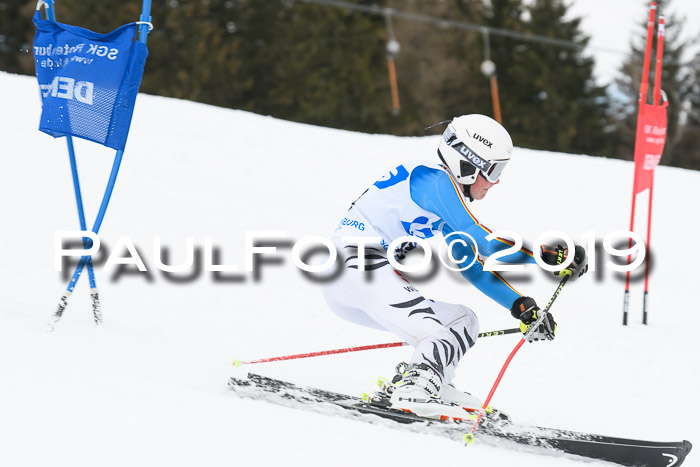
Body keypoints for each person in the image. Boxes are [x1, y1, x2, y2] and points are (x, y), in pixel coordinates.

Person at [321, 114, 587, 420]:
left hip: (358, 279)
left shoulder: (443, 200)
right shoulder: (432, 180)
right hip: (354, 266)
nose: (496, 181)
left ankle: (431, 381)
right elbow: (484, 241)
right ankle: (414, 389)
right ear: (468, 163)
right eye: (493, 170)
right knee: (437, 335)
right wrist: (546, 255)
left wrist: (521, 306)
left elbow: (472, 265)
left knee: (462, 321)